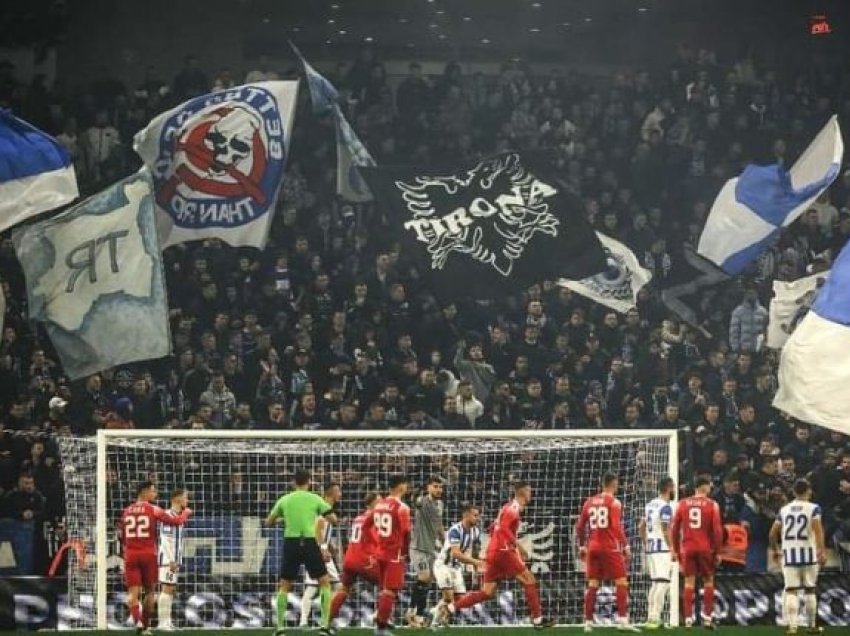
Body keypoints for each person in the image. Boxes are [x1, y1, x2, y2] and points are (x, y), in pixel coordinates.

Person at [439, 481, 553, 629]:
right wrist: (519, 547)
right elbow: (504, 528)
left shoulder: (505, 507)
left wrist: (495, 545)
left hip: (494, 552)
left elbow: (494, 527)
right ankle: (538, 620)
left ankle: (450, 608)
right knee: (529, 580)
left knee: (487, 592)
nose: (531, 495)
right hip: (503, 552)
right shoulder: (513, 508)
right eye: (529, 491)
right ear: (522, 492)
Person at [265, 470, 337, 636]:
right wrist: (316, 516)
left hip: (291, 543)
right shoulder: (315, 499)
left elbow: (268, 522)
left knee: (284, 585)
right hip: (310, 542)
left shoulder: (285, 499)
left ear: (293, 483)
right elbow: (333, 519)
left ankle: (280, 627)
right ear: (309, 482)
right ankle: (325, 626)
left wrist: (284, 519)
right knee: (325, 583)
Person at [119, 482, 191, 636]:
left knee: (132, 595)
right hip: (148, 554)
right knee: (150, 592)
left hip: (130, 554)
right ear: (144, 492)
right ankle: (146, 627)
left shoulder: (126, 511)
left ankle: (138, 621)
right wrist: (186, 513)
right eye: (153, 491)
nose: (155, 494)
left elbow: (122, 537)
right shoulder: (153, 508)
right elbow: (176, 521)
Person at [576, 472, 639, 632]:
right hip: (609, 547)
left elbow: (580, 526)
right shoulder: (614, 502)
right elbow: (617, 527)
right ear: (614, 484)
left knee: (593, 584)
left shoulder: (589, 502)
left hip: (593, 547)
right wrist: (625, 545)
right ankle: (623, 620)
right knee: (621, 581)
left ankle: (588, 623)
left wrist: (582, 545)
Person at [769, 479, 826, 635]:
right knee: (810, 590)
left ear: (793, 492)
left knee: (791, 590)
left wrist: (775, 550)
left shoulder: (784, 510)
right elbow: (818, 530)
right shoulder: (814, 508)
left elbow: (772, 534)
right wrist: (822, 550)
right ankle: (812, 626)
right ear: (808, 491)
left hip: (789, 556)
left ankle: (793, 627)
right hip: (809, 555)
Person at [670, 476, 723, 629]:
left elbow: (674, 529)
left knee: (688, 582)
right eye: (709, 486)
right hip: (705, 547)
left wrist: (675, 549)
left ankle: (687, 619)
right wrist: (718, 551)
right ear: (704, 487)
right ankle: (707, 618)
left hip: (687, 548)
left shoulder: (682, 504)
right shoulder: (712, 505)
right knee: (708, 580)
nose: (710, 489)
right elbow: (717, 530)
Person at [326, 492, 381, 634]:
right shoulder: (375, 518)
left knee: (344, 589)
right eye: (379, 501)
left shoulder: (358, 518)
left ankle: (326, 623)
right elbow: (376, 541)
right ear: (372, 503)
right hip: (364, 559)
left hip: (350, 558)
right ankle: (380, 618)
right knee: (387, 585)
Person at [429, 503, 483, 625]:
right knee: (448, 597)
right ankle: (435, 620)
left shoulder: (476, 532)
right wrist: (476, 562)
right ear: (466, 515)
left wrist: (475, 571)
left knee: (461, 600)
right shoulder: (455, 530)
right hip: (443, 566)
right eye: (475, 515)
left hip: (456, 568)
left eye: (478, 515)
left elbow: (475, 552)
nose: (477, 518)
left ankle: (435, 612)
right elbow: (456, 554)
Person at [373, 474, 412, 636]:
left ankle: (383, 618)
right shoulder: (402, 508)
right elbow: (406, 533)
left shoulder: (379, 505)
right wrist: (405, 552)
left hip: (380, 551)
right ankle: (380, 628)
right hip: (394, 554)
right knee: (390, 591)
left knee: (384, 590)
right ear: (401, 486)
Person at [300, 483, 343, 628]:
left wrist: (330, 546)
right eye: (338, 491)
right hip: (317, 551)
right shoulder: (322, 507)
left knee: (327, 587)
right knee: (333, 587)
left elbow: (323, 531)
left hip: (319, 550)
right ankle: (315, 620)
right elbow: (318, 528)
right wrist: (324, 548)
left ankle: (311, 620)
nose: (340, 494)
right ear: (331, 492)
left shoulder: (327, 508)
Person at [406, 476, 445, 626]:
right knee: (424, 576)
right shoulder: (423, 501)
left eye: (440, 487)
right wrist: (415, 494)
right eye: (435, 486)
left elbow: (439, 524)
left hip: (430, 548)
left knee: (428, 581)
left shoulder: (440, 504)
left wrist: (444, 542)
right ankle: (410, 612)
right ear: (428, 487)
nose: (438, 490)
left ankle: (419, 616)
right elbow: (415, 502)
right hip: (418, 548)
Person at [639, 477, 676, 629]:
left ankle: (651, 617)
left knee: (656, 583)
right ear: (668, 488)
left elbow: (641, 525)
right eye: (673, 487)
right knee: (663, 583)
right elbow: (666, 529)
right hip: (662, 549)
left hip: (652, 549)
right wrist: (672, 548)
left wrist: (645, 542)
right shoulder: (665, 507)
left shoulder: (650, 504)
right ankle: (655, 617)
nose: (674, 490)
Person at [157, 488, 190, 631]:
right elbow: (165, 539)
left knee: (170, 589)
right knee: (166, 588)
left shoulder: (179, 516)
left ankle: (167, 621)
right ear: (177, 499)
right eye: (186, 497)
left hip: (174, 559)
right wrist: (171, 559)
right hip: (167, 560)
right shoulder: (168, 515)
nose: (187, 500)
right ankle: (162, 623)